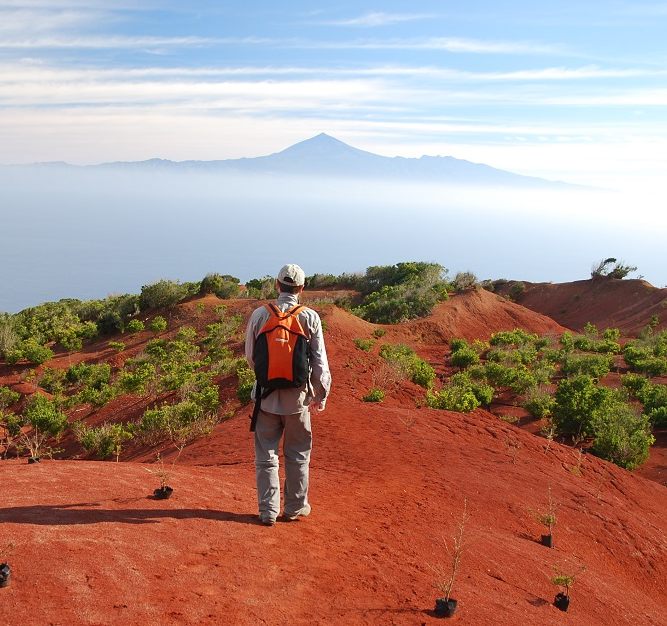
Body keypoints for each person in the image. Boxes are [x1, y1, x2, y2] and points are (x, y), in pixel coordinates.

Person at [244, 263, 331, 526]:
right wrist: (320, 395)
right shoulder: (310, 317)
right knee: (298, 454)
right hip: (298, 400)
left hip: (266, 398)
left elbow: (251, 358)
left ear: (277, 285)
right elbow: (320, 363)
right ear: (302, 288)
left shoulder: (260, 315)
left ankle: (267, 512)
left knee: (266, 457)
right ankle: (294, 508)